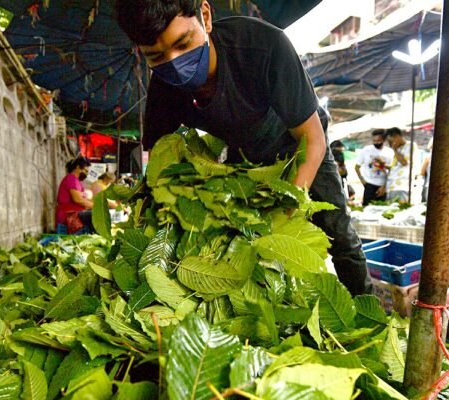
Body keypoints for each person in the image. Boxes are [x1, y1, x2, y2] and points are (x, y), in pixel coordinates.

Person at [114, 0, 372, 295]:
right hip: (245, 156)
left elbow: (312, 140)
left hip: (298, 146)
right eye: (156, 56)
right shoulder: (165, 86)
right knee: (244, 248)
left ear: (205, 16)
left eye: (183, 43)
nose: (175, 63)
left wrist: (283, 214)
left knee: (338, 233)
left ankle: (367, 310)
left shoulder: (262, 46)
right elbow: (158, 162)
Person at [354, 129, 394, 206]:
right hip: (369, 185)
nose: (376, 143)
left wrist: (384, 186)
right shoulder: (366, 150)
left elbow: (391, 170)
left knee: (382, 209)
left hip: (383, 185)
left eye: (378, 141)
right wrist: (363, 181)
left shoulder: (390, 152)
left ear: (384, 140)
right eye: (374, 141)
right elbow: (357, 167)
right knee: (367, 209)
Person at [56, 156, 93, 235]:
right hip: (69, 216)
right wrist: (96, 206)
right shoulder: (71, 178)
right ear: (78, 167)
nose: (86, 173)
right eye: (85, 170)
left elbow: (84, 200)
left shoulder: (77, 181)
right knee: (95, 215)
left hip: (76, 215)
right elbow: (78, 199)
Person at [385, 127, 411, 203]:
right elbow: (394, 167)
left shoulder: (410, 146)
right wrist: (383, 165)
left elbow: (404, 162)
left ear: (396, 136)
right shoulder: (398, 149)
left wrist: (394, 149)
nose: (391, 144)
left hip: (401, 186)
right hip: (391, 186)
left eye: (391, 141)